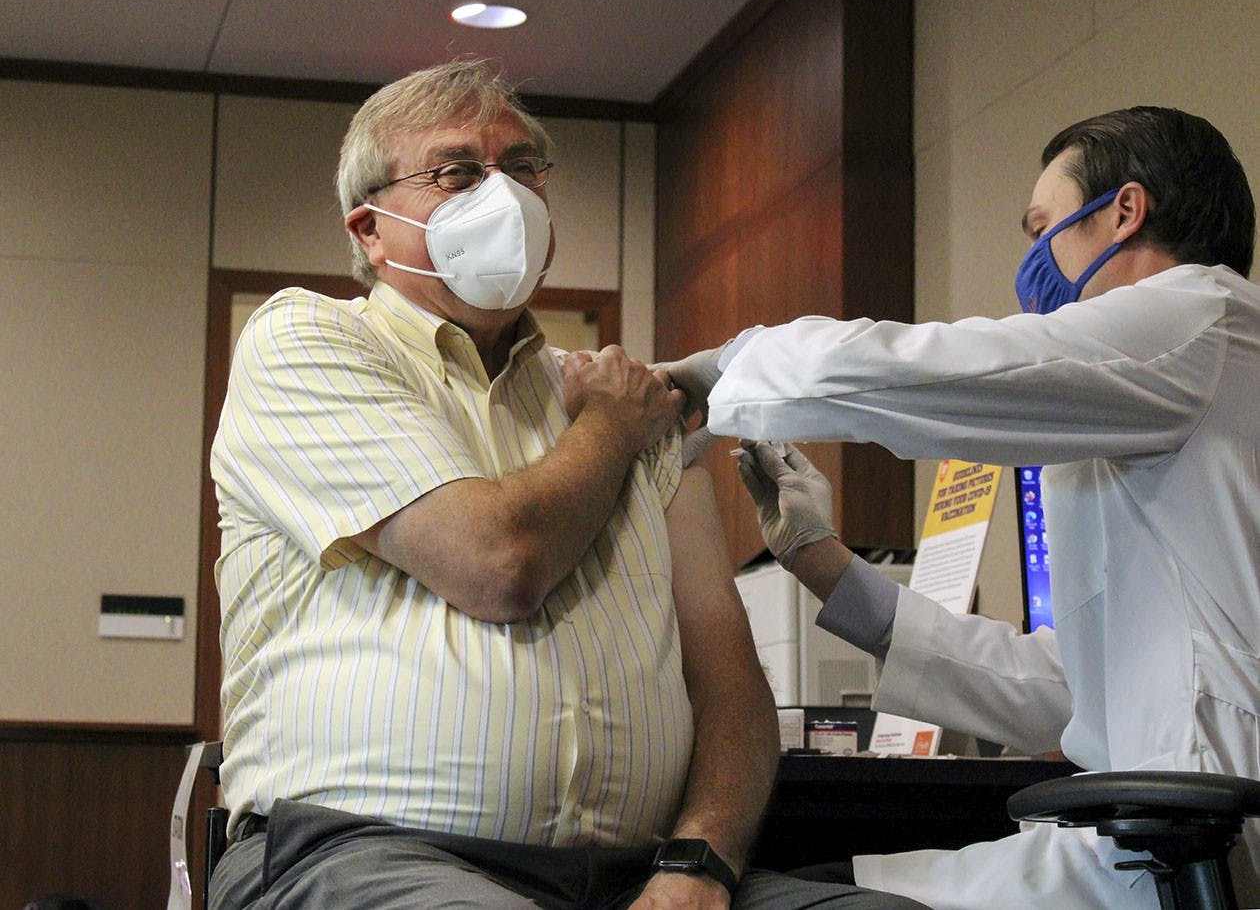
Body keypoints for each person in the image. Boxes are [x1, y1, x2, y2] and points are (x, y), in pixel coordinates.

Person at [207, 59, 926, 910]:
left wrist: (697, 866)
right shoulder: (308, 342)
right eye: (459, 172)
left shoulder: (614, 396)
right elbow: (496, 561)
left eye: (522, 169)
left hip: (635, 871)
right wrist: (612, 428)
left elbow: (731, 687)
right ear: (370, 228)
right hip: (362, 854)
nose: (503, 197)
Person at [662, 106, 1260, 910]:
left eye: (1045, 226)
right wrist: (824, 563)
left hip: (1192, 842)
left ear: (1125, 210)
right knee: (826, 885)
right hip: (1152, 841)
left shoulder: (1195, 321)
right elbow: (1061, 682)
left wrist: (732, 368)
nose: (1035, 259)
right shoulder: (1158, 394)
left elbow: (946, 370)